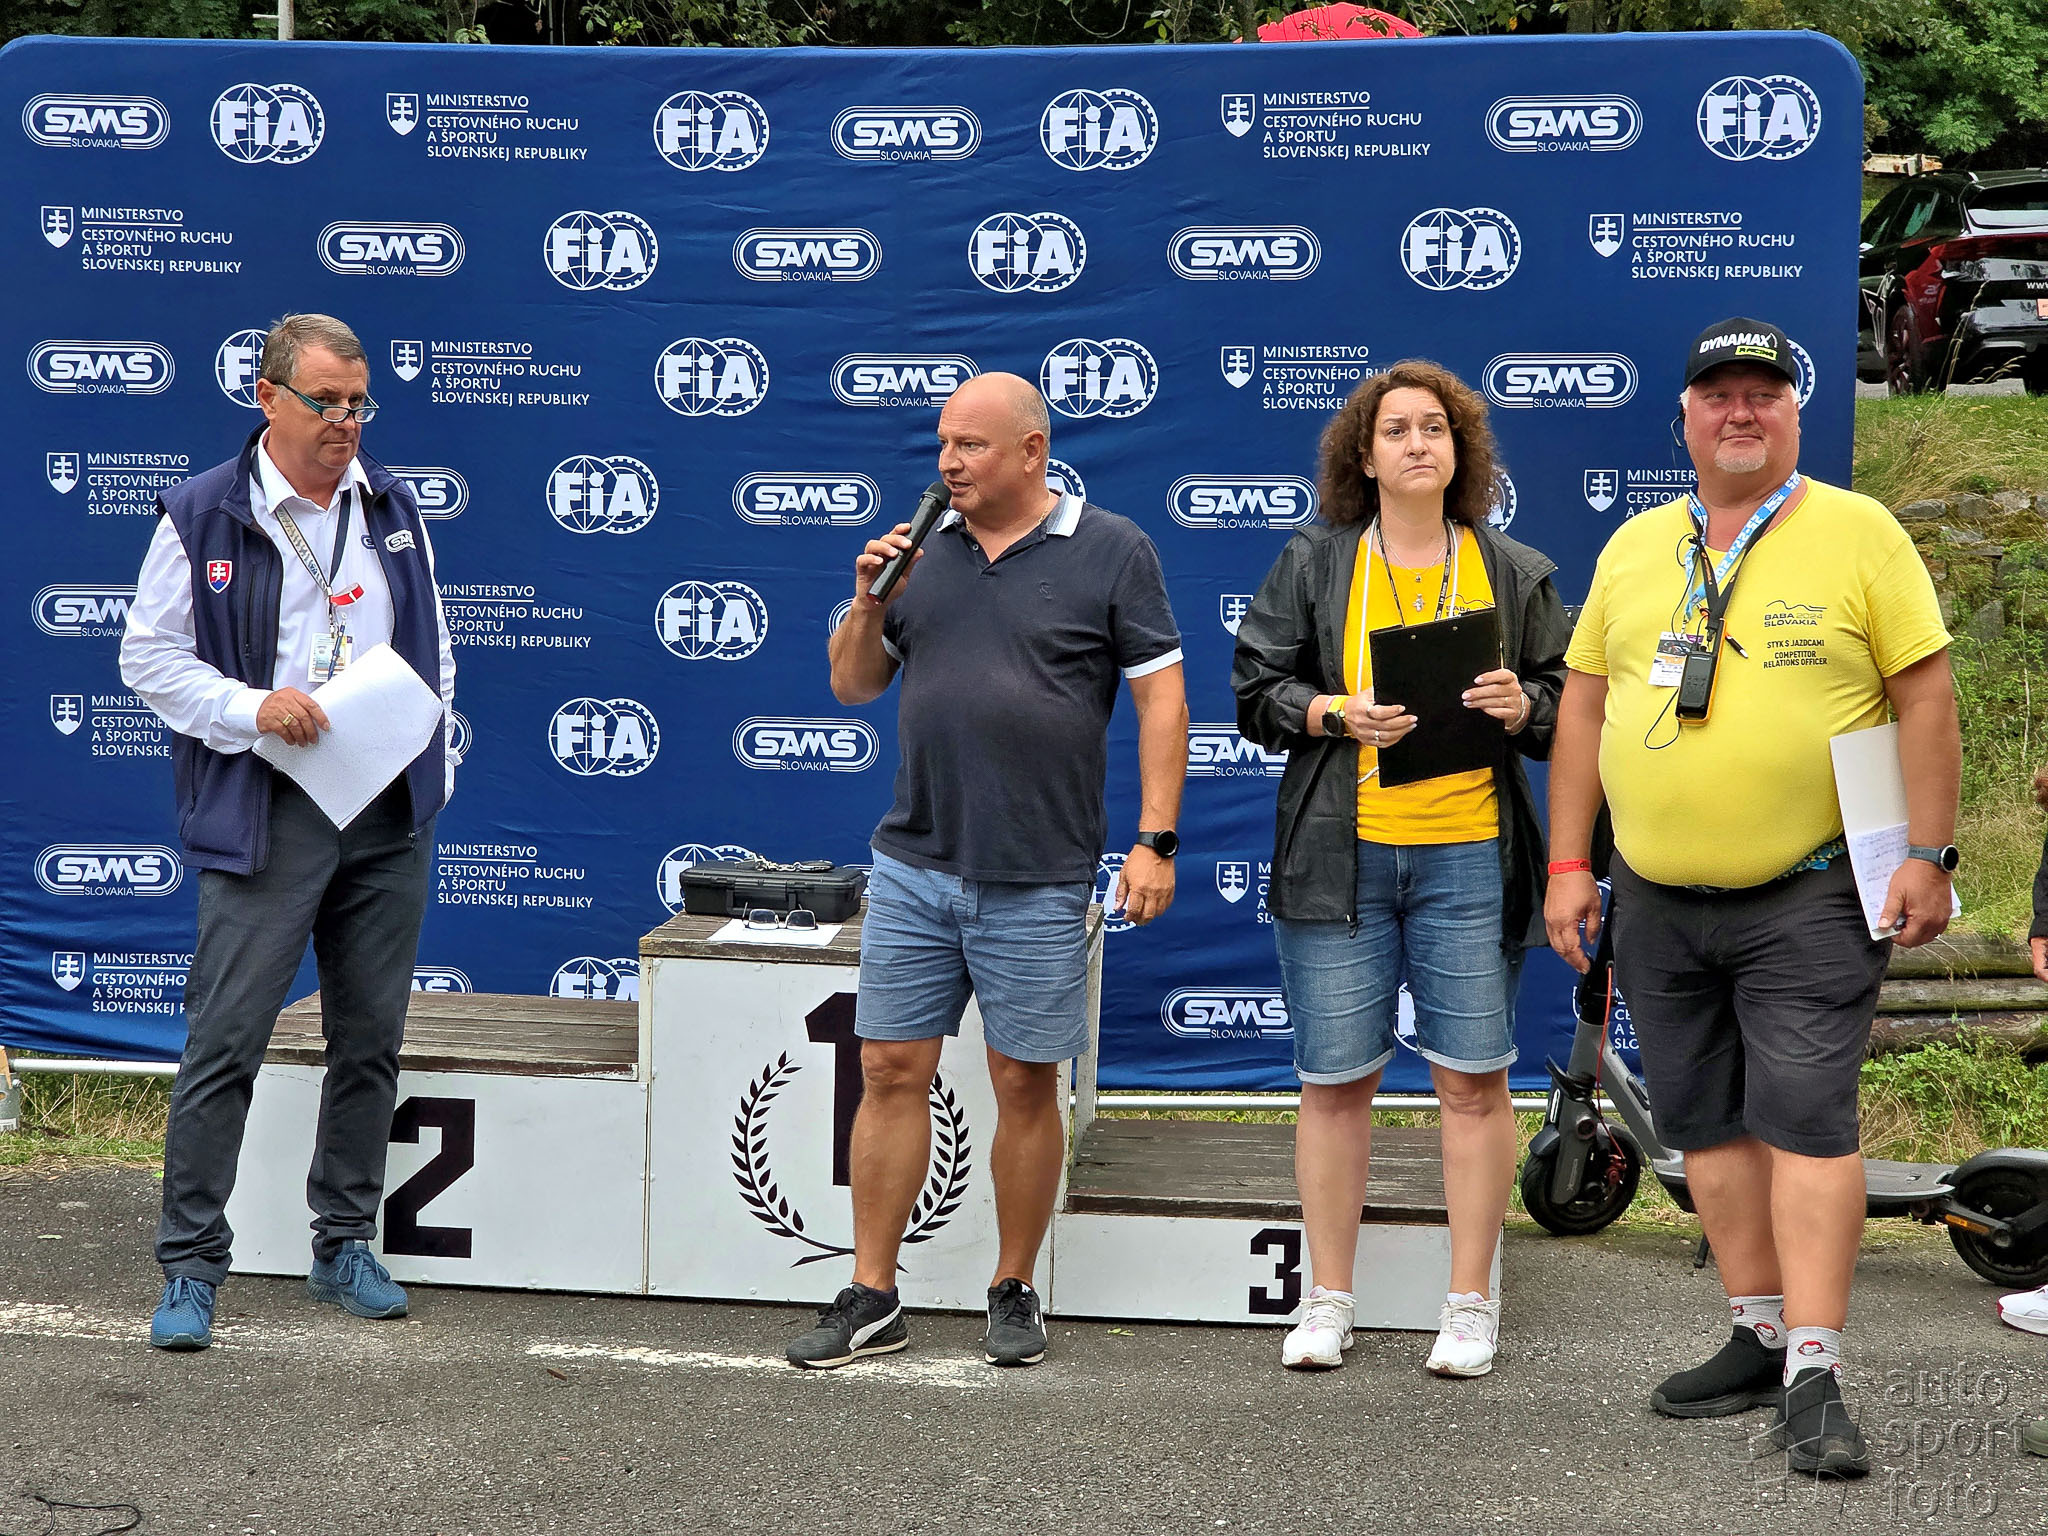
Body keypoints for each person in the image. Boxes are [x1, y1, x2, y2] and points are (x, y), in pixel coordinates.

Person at [1546, 317, 1958, 1478]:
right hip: (1655, 896)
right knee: (1705, 1125)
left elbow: (1924, 698)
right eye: (1717, 394)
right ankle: (1756, 1332)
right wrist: (1569, 863)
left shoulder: (1856, 531)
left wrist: (1928, 852)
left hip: (1806, 893)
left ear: (1792, 412)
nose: (1739, 412)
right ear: (1682, 417)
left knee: (1805, 1121)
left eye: (1761, 395)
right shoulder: (1637, 545)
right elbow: (1583, 707)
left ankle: (1814, 1373)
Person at [788, 372, 1187, 1370]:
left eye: (969, 445)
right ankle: (873, 1293)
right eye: (942, 445)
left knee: (1023, 1081)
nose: (948, 464)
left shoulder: (1112, 548)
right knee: (888, 1070)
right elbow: (851, 684)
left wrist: (1156, 839)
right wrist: (869, 600)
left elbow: (1162, 702)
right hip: (914, 862)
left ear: (1031, 451)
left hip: (1039, 871)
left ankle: (1012, 1287)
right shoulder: (920, 553)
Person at [120, 313, 458, 1351]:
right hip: (265, 807)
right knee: (226, 1041)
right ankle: (190, 1267)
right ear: (268, 398)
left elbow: (434, 650)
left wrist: (432, 763)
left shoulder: (392, 504)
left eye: (358, 402)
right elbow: (149, 658)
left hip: (384, 810)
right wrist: (252, 707)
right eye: (326, 401)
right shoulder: (202, 513)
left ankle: (344, 1240)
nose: (345, 421)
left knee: (370, 1039)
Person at [1231, 360, 1569, 1378]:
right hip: (1341, 861)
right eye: (1395, 430)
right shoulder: (1314, 561)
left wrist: (1527, 707)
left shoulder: (1513, 570)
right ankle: (1328, 1300)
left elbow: (1568, 704)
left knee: (1473, 1083)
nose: (1417, 443)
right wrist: (1331, 712)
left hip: (1470, 857)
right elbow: (1255, 690)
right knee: (1335, 1084)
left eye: (1435, 428)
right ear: (1364, 457)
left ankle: (1469, 1304)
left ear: (1460, 452)